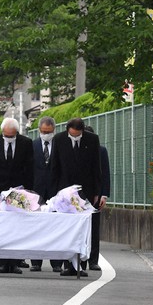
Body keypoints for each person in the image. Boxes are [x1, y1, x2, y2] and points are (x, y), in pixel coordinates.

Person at [0, 117, 34, 274]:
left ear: (16, 133)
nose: (8, 138)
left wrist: (29, 192)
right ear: (2, 132)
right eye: (6, 135)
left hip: (19, 191)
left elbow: (30, 168)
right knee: (1, 227)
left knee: (17, 227)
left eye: (11, 136)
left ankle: (16, 261)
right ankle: (3, 262)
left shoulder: (26, 143)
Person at [51, 117, 101, 277]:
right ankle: (68, 265)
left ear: (82, 131)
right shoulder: (58, 139)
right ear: (67, 131)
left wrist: (97, 193)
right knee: (67, 229)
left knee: (83, 229)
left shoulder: (92, 140)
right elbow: (54, 166)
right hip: (64, 191)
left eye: (77, 135)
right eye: (72, 135)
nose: (75, 137)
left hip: (86, 190)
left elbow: (96, 166)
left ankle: (81, 264)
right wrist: (55, 193)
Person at [29, 116, 63, 272]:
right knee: (36, 228)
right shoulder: (32, 145)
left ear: (54, 131)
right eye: (43, 132)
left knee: (55, 228)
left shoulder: (60, 145)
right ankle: (36, 262)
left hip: (55, 191)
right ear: (39, 130)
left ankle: (56, 263)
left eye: (48, 132)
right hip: (37, 191)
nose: (46, 134)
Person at [84, 124, 110, 271]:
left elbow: (105, 174)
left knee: (94, 229)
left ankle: (93, 260)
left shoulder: (101, 151)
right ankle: (80, 260)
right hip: (79, 196)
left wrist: (104, 195)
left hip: (96, 195)